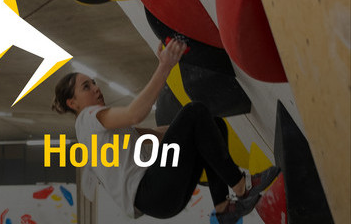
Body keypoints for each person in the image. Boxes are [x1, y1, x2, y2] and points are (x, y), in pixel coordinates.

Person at [52, 38, 280, 223]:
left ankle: (224, 209)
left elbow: (154, 134)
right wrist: (165, 66)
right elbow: (134, 113)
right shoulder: (88, 118)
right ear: (73, 103)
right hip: (151, 191)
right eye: (86, 87)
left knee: (214, 124)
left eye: (93, 82)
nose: (95, 88)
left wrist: (194, 127)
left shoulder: (96, 134)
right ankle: (241, 185)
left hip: (161, 202)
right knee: (195, 110)